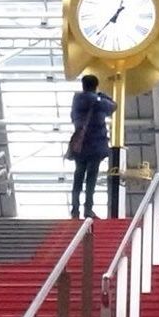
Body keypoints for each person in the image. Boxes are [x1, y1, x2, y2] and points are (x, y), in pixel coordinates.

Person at [69, 74, 116, 219]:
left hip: (80, 143)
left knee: (78, 175)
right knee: (91, 177)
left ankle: (75, 208)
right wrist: (103, 95)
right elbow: (113, 107)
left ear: (83, 85)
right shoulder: (97, 100)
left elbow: (73, 117)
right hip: (95, 144)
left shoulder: (76, 99)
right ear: (96, 86)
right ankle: (88, 208)